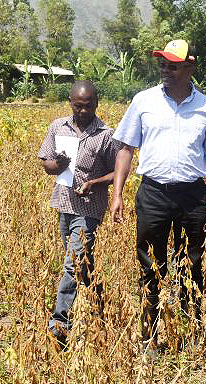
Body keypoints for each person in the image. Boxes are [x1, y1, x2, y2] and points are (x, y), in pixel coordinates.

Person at [110, 40, 206, 352]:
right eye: (163, 64)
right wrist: (117, 195)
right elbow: (125, 149)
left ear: (189, 67)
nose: (166, 70)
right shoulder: (143, 102)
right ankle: (149, 340)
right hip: (153, 193)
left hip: (193, 196)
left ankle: (190, 336)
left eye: (173, 65)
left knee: (192, 264)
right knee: (150, 266)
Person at [39, 81, 120, 346]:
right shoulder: (57, 127)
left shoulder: (106, 135)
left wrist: (94, 183)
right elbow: (45, 162)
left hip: (90, 208)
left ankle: (59, 325)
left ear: (96, 103)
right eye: (77, 106)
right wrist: (56, 164)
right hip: (63, 203)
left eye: (87, 106)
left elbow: (118, 172)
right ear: (70, 102)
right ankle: (99, 309)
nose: (82, 111)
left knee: (72, 263)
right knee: (82, 265)